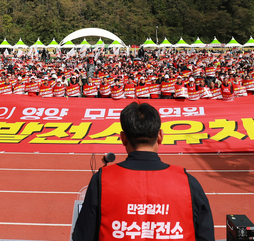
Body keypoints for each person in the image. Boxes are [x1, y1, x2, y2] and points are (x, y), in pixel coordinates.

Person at [72, 102, 214, 241]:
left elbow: (83, 235)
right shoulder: (189, 183)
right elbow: (205, 235)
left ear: (123, 138)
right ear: (160, 136)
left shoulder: (101, 181)